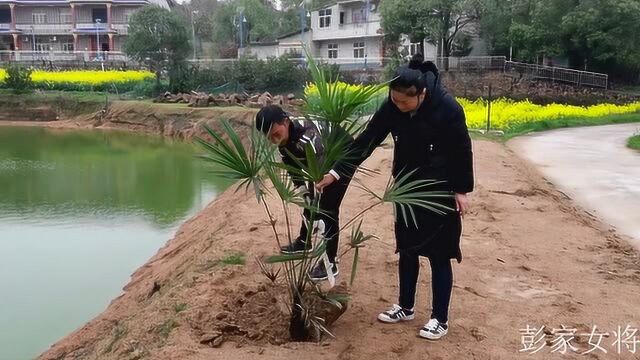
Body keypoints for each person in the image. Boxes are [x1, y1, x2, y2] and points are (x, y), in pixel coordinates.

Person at [315, 55, 474, 340]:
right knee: (408, 249)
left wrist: (461, 190)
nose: (398, 107)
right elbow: (368, 139)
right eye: (394, 101)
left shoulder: (448, 108)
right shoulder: (393, 106)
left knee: (439, 254)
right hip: (406, 185)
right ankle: (405, 305)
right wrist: (337, 172)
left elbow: (462, 149)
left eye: (404, 102)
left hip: (439, 188)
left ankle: (440, 318)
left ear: (422, 94)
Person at [255, 105, 355, 281]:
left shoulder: (308, 138)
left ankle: (330, 262)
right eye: (269, 137)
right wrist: (306, 198)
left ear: (285, 122)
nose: (274, 139)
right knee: (311, 199)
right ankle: (304, 242)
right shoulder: (284, 144)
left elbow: (320, 178)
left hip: (342, 156)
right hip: (318, 161)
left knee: (328, 208)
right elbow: (296, 173)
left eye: (276, 133)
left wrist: (316, 202)